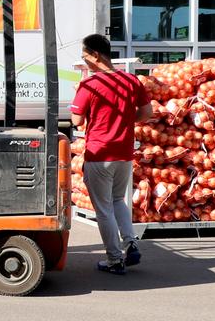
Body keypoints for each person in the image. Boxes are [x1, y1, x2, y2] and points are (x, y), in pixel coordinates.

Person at [70, 34, 152, 275]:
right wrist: (127, 121)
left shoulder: (89, 84)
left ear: (95, 56)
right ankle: (131, 242)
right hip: (124, 153)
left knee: (104, 209)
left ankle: (115, 260)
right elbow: (147, 112)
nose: (84, 62)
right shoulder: (131, 81)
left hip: (99, 154)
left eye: (85, 57)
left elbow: (77, 120)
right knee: (118, 201)